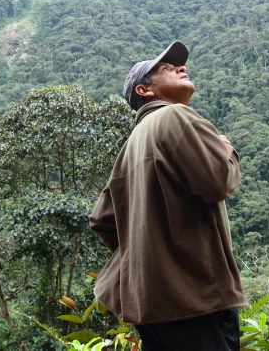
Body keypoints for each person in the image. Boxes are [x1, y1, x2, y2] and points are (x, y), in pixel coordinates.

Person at [89, 40, 245, 351]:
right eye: (167, 68)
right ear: (144, 91)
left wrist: (150, 254)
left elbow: (102, 219)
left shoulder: (131, 145)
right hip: (195, 301)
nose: (180, 68)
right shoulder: (174, 117)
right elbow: (219, 181)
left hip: (152, 307)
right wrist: (225, 145)